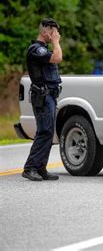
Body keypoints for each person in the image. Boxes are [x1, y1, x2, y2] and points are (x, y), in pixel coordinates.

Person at [22, 18, 62, 181]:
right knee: (44, 131)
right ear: (45, 32)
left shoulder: (43, 49)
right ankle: (30, 167)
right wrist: (56, 42)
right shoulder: (36, 50)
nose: (56, 35)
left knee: (48, 132)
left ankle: (40, 168)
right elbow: (57, 58)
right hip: (42, 95)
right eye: (53, 31)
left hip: (50, 95)